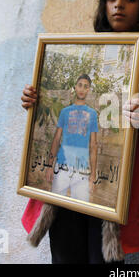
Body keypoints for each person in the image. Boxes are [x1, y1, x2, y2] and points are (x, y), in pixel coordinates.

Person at [21, 0, 139, 264]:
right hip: (66, 180)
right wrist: (35, 101)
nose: (118, 4)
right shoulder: (79, 51)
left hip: (111, 185)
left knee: (102, 259)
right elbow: (55, 106)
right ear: (103, 5)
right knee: (64, 254)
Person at [47, 74, 98, 202]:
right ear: (75, 87)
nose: (82, 88)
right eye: (80, 85)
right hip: (62, 166)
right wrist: (49, 166)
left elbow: (93, 145)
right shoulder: (65, 112)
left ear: (88, 90)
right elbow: (57, 138)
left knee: (81, 208)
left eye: (85, 86)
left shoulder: (92, 114)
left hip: (82, 169)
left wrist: (92, 175)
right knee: (55, 204)